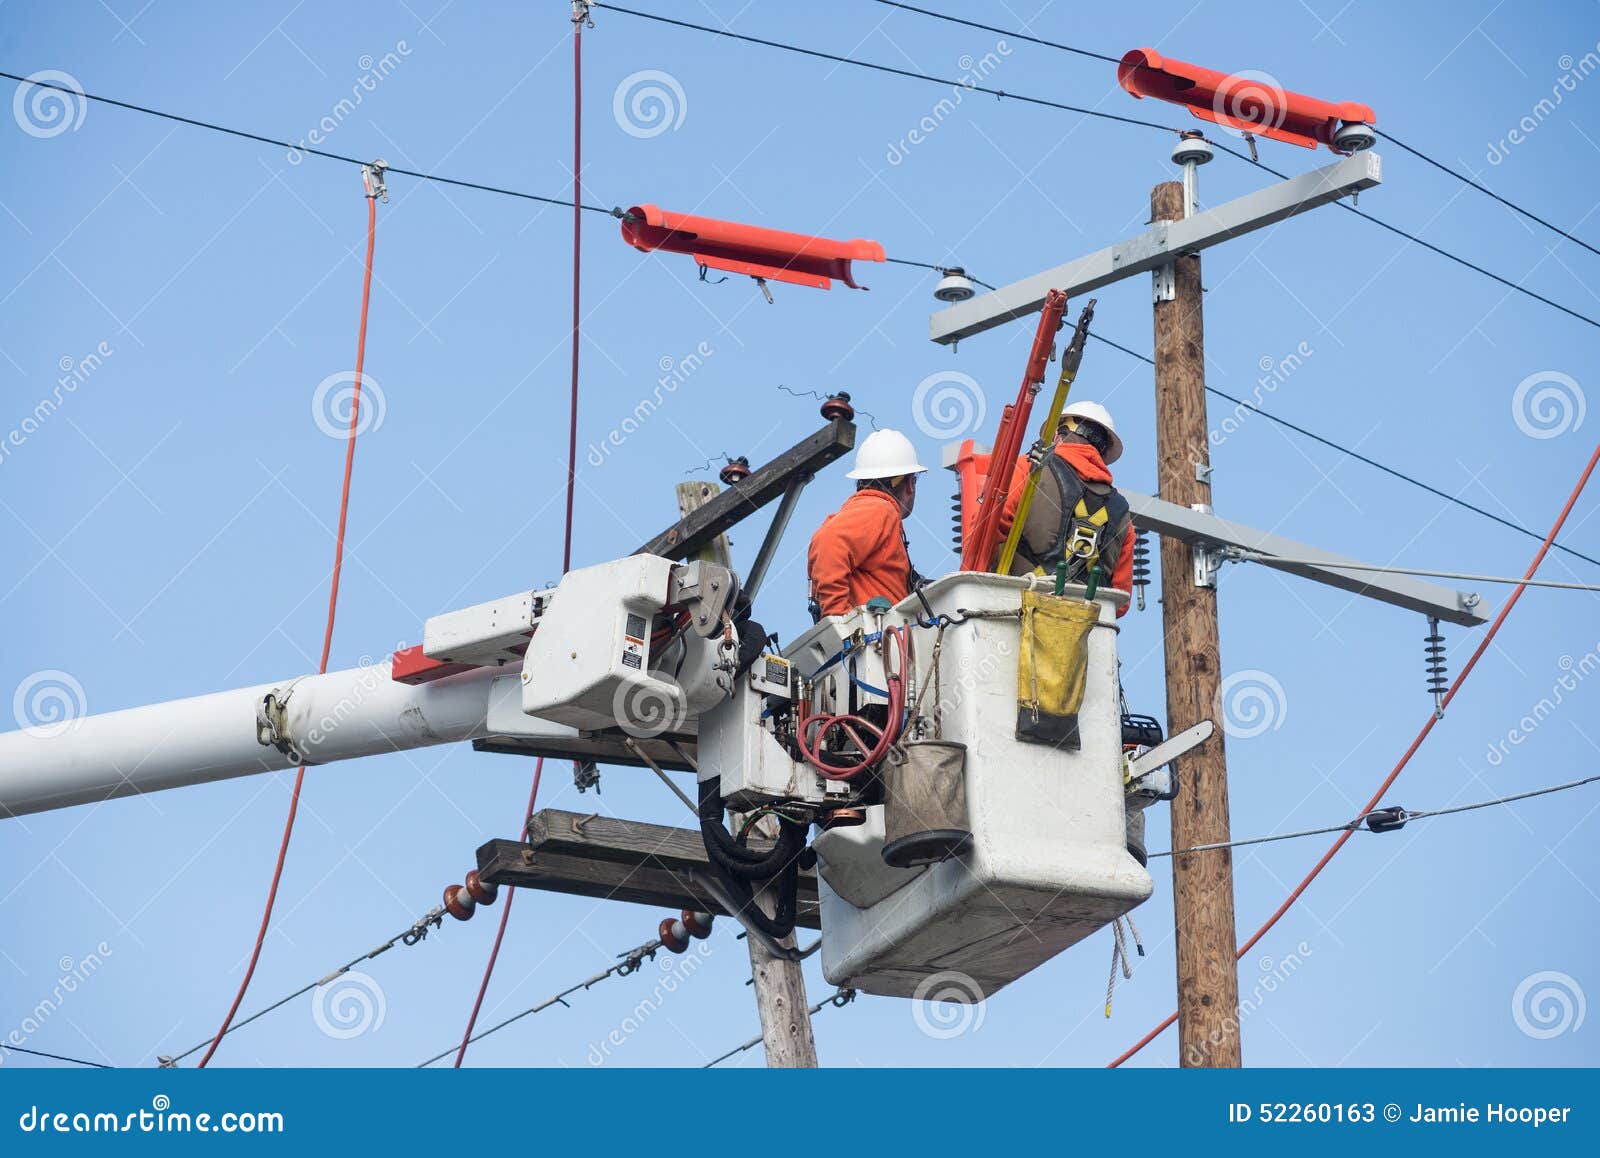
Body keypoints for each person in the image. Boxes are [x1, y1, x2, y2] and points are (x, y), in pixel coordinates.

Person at [995, 400, 1134, 617]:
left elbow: (991, 530)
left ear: (1059, 434)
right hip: (1083, 634)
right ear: (1102, 452)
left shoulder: (1029, 470)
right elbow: (1121, 601)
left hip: (1018, 616)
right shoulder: (1122, 512)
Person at [807, 428, 927, 619]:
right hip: (872, 640)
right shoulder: (879, 509)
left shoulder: (872, 513)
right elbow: (828, 542)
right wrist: (839, 620)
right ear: (911, 483)